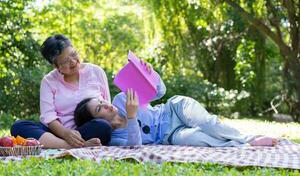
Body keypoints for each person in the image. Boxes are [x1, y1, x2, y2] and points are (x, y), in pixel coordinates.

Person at [74, 61, 278, 147]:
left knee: (208, 123)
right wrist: (132, 116)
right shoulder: (115, 138)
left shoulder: (121, 98)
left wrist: (150, 73)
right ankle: (241, 146)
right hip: (169, 135)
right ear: (95, 121)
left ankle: (248, 139)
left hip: (173, 109)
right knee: (200, 139)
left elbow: (160, 92)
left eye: (102, 101)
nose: (107, 105)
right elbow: (135, 147)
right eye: (100, 108)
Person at [10, 34, 113, 148]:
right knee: (18, 127)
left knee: (104, 126)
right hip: (56, 133)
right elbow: (48, 117)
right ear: (56, 66)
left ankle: (65, 144)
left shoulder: (96, 71)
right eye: (65, 61)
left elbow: (107, 105)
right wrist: (65, 134)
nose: (73, 62)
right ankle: (69, 145)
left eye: (74, 54)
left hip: (87, 130)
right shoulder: (48, 81)